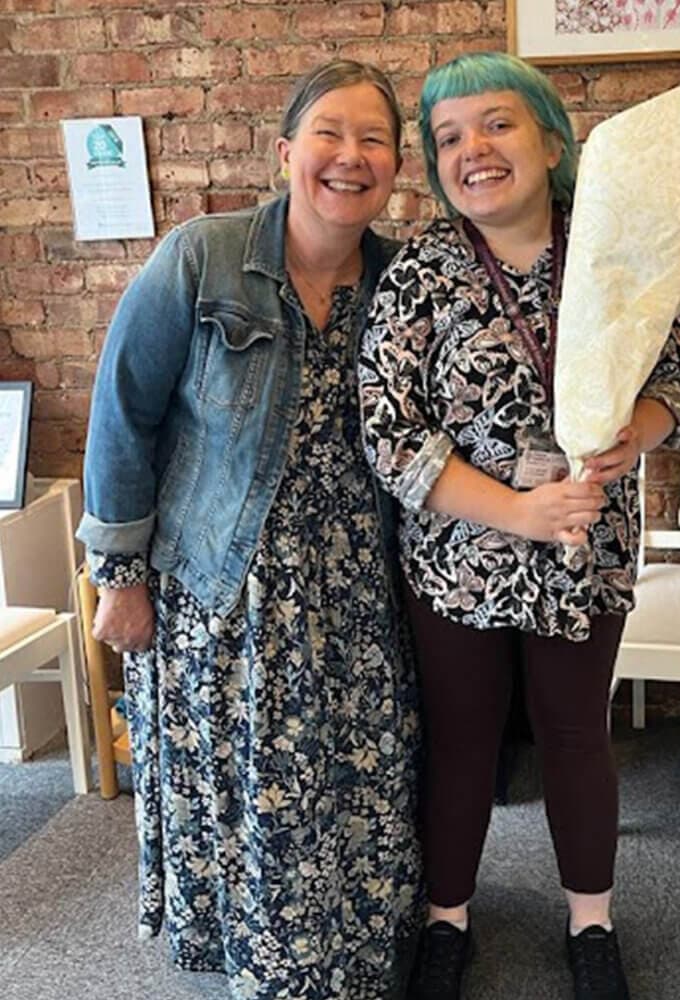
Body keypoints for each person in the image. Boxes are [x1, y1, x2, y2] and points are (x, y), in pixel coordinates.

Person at [76, 60, 421, 1000]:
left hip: (358, 584)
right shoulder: (203, 257)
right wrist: (118, 577)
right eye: (329, 133)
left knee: (354, 774)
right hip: (223, 584)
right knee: (247, 776)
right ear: (285, 151)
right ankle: (264, 961)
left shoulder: (401, 282)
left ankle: (352, 951)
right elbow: (122, 414)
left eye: (374, 140)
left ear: (396, 167)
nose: (350, 156)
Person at [359, 52, 680, 1000]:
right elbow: (389, 430)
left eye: (497, 123)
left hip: (585, 550)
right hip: (457, 558)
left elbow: (674, 372)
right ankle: (447, 920)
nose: (474, 149)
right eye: (449, 137)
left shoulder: (614, 251)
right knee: (462, 740)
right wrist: (514, 511)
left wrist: (640, 430)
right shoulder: (421, 273)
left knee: (575, 735)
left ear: (551, 141)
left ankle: (592, 922)